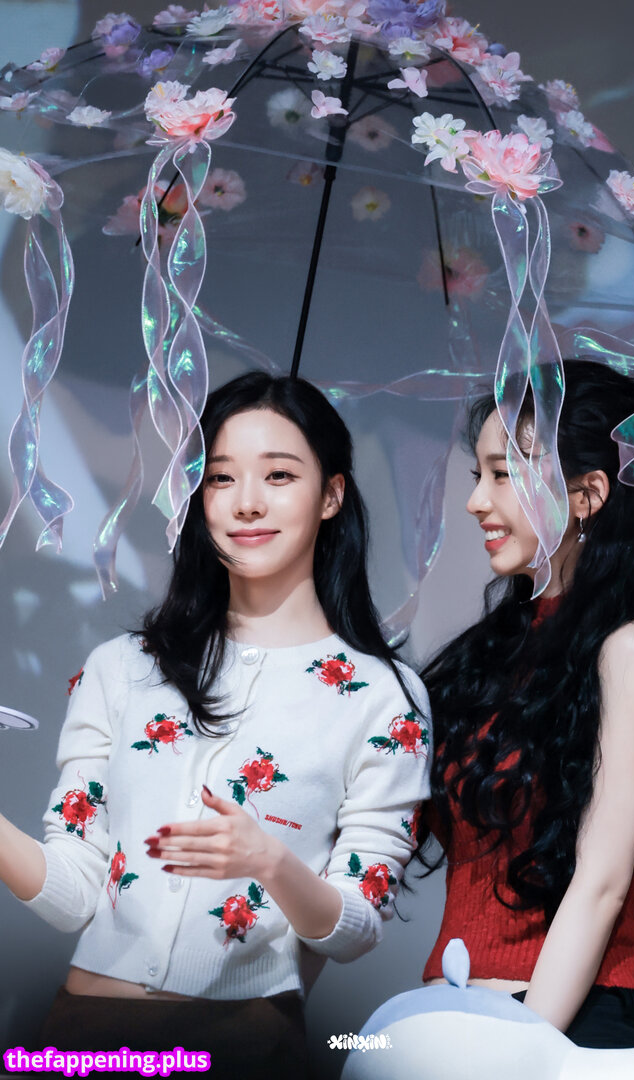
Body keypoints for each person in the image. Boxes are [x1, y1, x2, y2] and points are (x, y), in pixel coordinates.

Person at [0, 371, 430, 1078]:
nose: (247, 502)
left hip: (245, 1044)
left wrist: (270, 861)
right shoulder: (122, 668)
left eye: (279, 475)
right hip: (83, 1035)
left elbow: (356, 928)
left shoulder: (385, 699)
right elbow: (74, 893)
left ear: (331, 495)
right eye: (221, 478)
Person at [419, 359, 634, 1049]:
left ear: (588, 493)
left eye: (502, 474)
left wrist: (520, 1047)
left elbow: (602, 884)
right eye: (478, 474)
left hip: (555, 1029)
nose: (476, 501)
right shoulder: (492, 653)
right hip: (449, 1024)